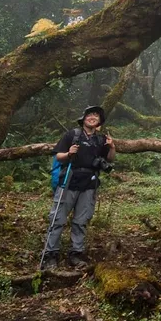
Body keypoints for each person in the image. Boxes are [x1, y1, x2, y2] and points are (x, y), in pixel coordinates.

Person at [43, 106, 115, 270]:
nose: (93, 117)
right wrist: (69, 153)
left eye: (96, 116)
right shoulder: (72, 135)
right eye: (90, 115)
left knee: (81, 221)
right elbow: (59, 157)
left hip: (89, 184)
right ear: (83, 118)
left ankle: (76, 254)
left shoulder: (101, 139)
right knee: (57, 219)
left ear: (99, 122)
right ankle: (50, 255)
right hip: (68, 181)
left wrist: (112, 147)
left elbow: (110, 159)